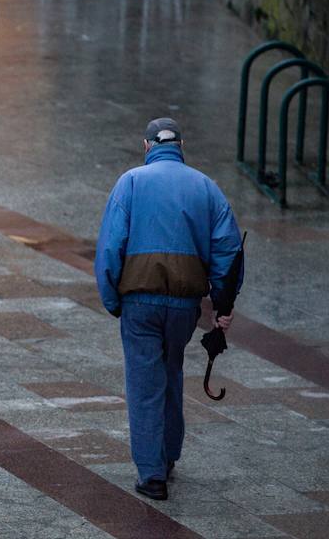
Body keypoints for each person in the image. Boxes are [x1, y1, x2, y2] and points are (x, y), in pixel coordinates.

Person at [94, 118, 243, 501]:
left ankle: (152, 475)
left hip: (139, 302)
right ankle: (169, 455)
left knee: (145, 384)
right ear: (181, 146)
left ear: (146, 146)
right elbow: (228, 250)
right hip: (183, 305)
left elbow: (111, 247)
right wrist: (222, 304)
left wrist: (112, 300)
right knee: (171, 371)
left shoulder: (130, 183)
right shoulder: (205, 187)